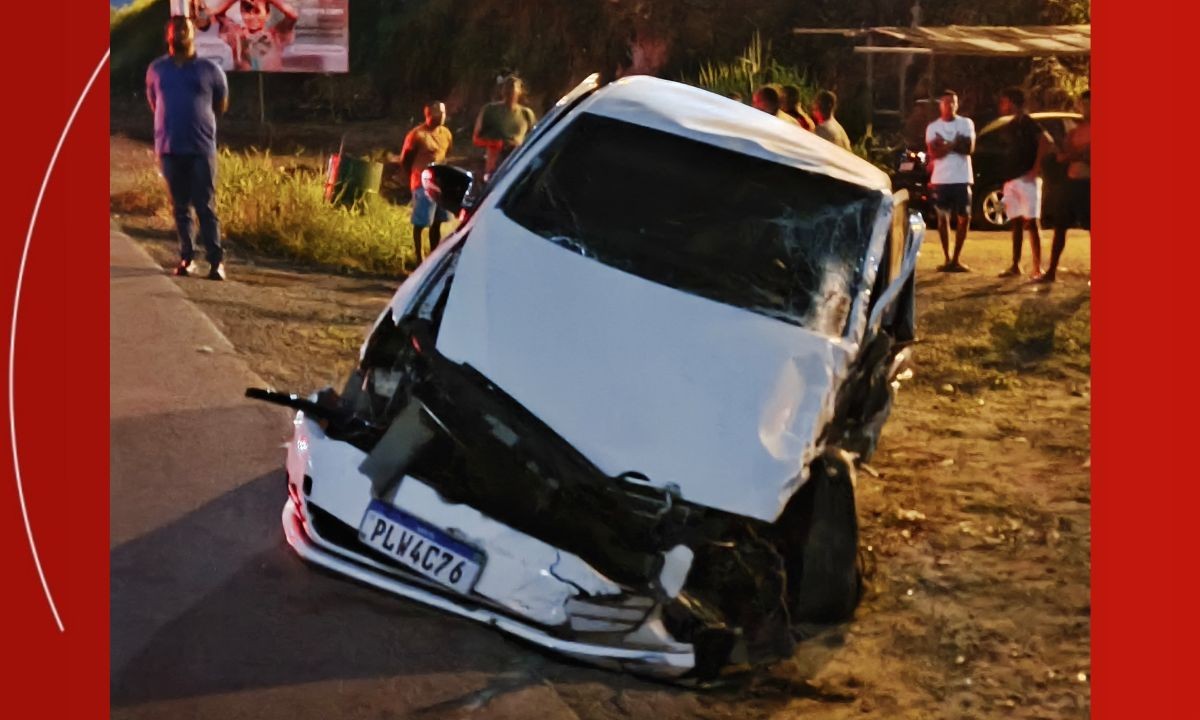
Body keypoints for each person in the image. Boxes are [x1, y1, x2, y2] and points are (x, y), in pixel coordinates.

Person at [146, 15, 230, 280]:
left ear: (194, 35)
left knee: (205, 206)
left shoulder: (210, 70)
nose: (180, 32)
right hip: (169, 148)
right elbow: (154, 102)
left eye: (185, 28)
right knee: (180, 207)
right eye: (175, 29)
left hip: (200, 149)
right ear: (167, 36)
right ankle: (187, 258)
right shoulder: (157, 69)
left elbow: (221, 104)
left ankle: (216, 262)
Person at [996, 86, 1053, 278]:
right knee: (1016, 222)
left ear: (1011, 102)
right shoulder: (1011, 124)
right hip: (1012, 178)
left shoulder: (1027, 122)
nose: (1001, 105)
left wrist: (1036, 168)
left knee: (1032, 222)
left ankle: (1037, 267)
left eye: (1004, 101)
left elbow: (1046, 140)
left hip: (1027, 179)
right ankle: (1016, 265)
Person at [1040, 90, 1090, 283]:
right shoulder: (1076, 130)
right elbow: (1064, 155)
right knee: (1060, 226)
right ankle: (1051, 270)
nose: (1086, 109)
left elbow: (1088, 156)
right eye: (1084, 105)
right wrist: (1071, 152)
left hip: (1089, 183)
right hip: (1072, 182)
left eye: (1090, 105)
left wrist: (1074, 153)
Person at [924, 89, 976, 272]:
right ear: (940, 105)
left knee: (964, 217)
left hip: (962, 177)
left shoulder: (966, 123)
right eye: (946, 102)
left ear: (957, 104)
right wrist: (955, 143)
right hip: (941, 179)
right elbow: (934, 152)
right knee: (942, 218)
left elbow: (968, 148)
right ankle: (947, 258)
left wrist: (946, 144)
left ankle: (956, 258)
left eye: (953, 102)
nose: (950, 106)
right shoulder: (933, 127)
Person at [398, 101, 454, 266]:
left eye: (443, 113)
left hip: (440, 181)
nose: (441, 116)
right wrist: (413, 177)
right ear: (428, 114)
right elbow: (405, 159)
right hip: (422, 181)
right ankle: (419, 257)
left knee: (438, 220)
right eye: (437, 113)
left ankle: (433, 257)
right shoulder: (417, 135)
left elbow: (447, 153)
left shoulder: (446, 134)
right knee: (422, 221)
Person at [199, 0, 298, 72]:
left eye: (257, 11)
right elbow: (218, 14)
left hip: (271, 85)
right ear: (241, 13)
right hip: (246, 84)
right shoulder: (236, 34)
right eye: (246, 11)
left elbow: (292, 15)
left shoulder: (276, 35)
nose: (252, 17)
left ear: (267, 15)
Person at [473, 76, 537, 179]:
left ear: (520, 91)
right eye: (507, 87)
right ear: (502, 90)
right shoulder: (490, 110)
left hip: (518, 166)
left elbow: (535, 140)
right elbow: (476, 139)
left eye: (513, 87)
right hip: (494, 168)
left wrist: (518, 146)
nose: (510, 90)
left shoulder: (526, 114)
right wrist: (497, 144)